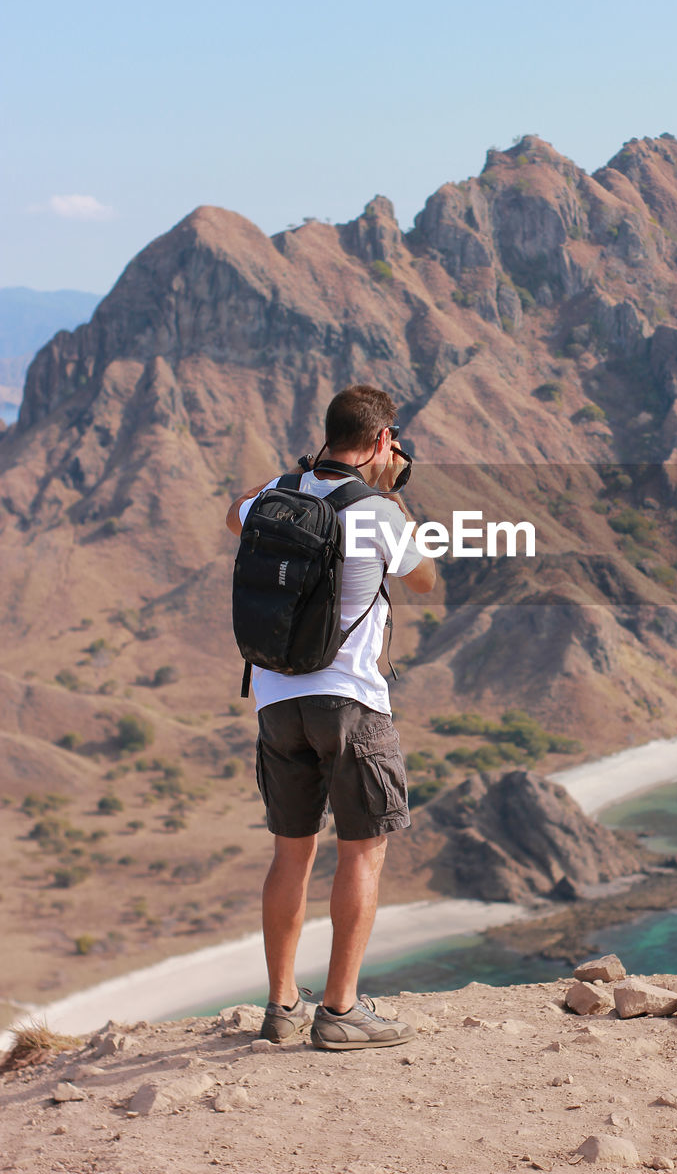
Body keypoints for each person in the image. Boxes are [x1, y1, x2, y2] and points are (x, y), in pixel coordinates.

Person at [225, 385, 436, 1050]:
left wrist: (300, 475)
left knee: (292, 853)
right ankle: (341, 1013)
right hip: (350, 704)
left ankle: (281, 1006)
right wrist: (388, 491)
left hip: (275, 700)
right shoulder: (377, 510)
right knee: (362, 853)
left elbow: (235, 517)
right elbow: (423, 578)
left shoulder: (272, 497)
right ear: (381, 442)